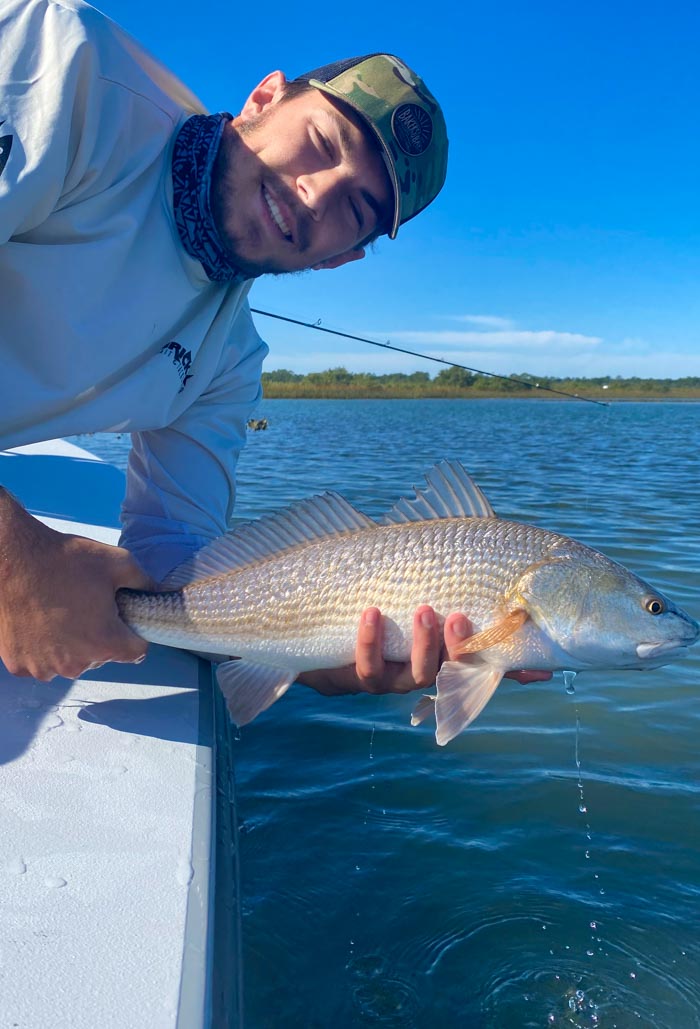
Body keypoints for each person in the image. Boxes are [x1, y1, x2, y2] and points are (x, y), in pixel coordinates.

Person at [0, 0, 547, 698]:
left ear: (341, 259)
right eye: (320, 141)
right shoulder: (59, 65)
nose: (315, 194)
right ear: (264, 96)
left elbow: (172, 559)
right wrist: (13, 561)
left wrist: (320, 645)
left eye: (353, 210)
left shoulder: (228, 362)